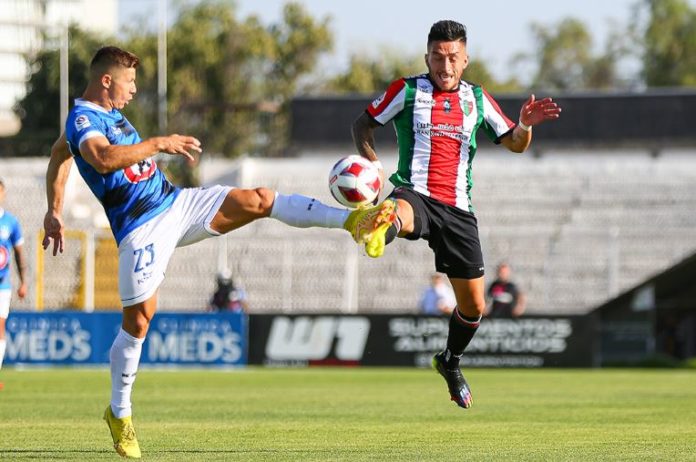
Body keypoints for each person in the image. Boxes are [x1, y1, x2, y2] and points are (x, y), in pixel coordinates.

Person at [42, 46, 391, 459]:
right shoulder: (83, 119)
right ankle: (119, 413)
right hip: (140, 229)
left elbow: (59, 154)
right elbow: (100, 159)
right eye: (129, 82)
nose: (134, 90)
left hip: (175, 203)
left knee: (260, 199)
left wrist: (53, 210)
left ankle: (351, 222)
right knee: (138, 321)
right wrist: (158, 143)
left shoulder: (99, 115)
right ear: (106, 80)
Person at [350, 20, 561, 409]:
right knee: (399, 212)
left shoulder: (477, 100)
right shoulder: (408, 90)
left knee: (474, 307)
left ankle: (449, 361)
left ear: (465, 60)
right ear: (426, 57)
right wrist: (374, 167)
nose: (444, 66)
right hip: (414, 192)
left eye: (452, 58)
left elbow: (515, 142)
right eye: (436, 57)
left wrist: (527, 125)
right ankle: (382, 226)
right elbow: (363, 124)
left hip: (459, 210)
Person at [0, 179, 28, 391]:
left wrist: (23, 281)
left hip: (3, 285)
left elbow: (18, 253)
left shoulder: (11, 222)